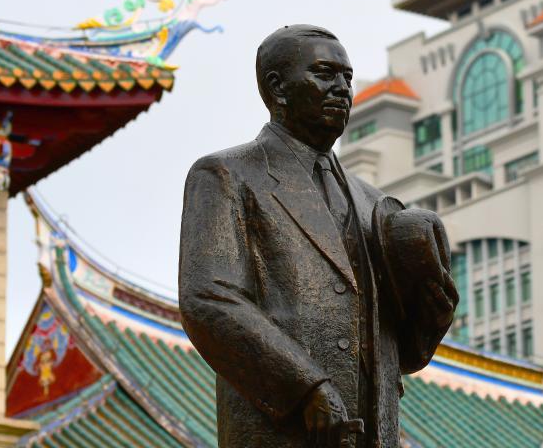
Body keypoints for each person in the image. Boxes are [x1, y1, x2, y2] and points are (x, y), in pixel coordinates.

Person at [179, 25, 457, 448]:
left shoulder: (376, 205)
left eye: (348, 77)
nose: (342, 88)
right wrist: (305, 386)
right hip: (282, 430)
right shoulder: (227, 174)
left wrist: (433, 305)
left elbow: (406, 353)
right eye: (325, 74)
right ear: (277, 87)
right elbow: (209, 299)